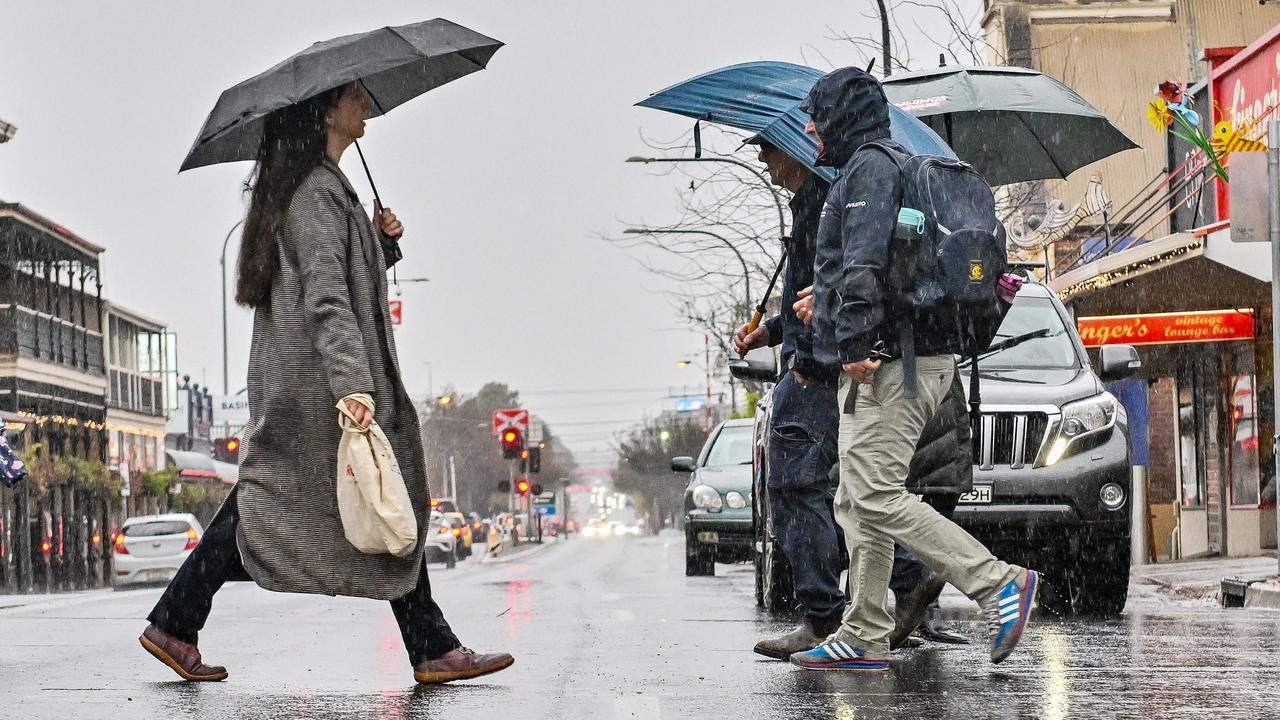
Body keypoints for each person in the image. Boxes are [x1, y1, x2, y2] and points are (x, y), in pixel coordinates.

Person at [139, 82, 514, 685]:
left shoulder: (323, 191)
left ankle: (177, 622)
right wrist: (354, 387)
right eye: (354, 96)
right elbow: (328, 301)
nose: (365, 103)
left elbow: (340, 278)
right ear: (324, 111)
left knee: (327, 505)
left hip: (308, 389)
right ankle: (431, 647)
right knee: (357, 503)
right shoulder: (315, 194)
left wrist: (379, 243)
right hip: (315, 393)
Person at [787, 67, 1038, 672]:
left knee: (873, 493)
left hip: (889, 363)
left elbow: (865, 267)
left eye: (817, 114)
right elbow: (874, 269)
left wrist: (849, 345)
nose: (811, 128)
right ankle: (864, 631)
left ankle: (998, 582)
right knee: (856, 498)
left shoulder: (871, 169)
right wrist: (825, 307)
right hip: (894, 354)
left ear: (841, 115)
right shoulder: (874, 167)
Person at [733, 142, 963, 659]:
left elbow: (849, 281)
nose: (766, 167)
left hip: (821, 366)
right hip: (828, 357)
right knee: (858, 493)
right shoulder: (823, 199)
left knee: (799, 485)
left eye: (769, 154)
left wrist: (838, 348)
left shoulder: (830, 198)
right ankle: (896, 590)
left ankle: (829, 614)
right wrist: (770, 332)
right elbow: (813, 295)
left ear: (795, 152)